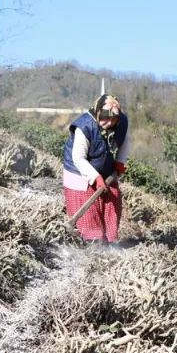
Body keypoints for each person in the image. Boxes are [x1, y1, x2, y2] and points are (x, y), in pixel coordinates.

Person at [62, 94, 129, 243]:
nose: (109, 122)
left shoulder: (121, 123)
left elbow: (124, 140)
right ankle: (92, 246)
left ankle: (109, 243)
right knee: (89, 219)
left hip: (106, 171)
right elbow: (78, 158)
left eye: (113, 119)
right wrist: (95, 177)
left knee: (112, 205)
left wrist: (119, 162)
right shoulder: (84, 127)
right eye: (105, 118)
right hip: (79, 173)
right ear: (98, 112)